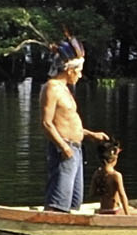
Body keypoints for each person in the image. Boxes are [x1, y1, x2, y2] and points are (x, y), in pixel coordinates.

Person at [38, 37, 109, 212]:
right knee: (59, 202)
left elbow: (67, 122)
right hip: (64, 150)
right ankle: (52, 226)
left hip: (75, 149)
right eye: (79, 71)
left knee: (74, 203)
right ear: (70, 70)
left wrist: (91, 135)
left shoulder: (65, 89)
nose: (80, 75)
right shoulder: (51, 88)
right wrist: (64, 148)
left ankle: (70, 229)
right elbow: (46, 123)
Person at [86, 137, 137, 215]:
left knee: (132, 208)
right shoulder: (116, 175)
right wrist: (128, 215)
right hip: (114, 211)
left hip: (102, 210)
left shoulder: (97, 173)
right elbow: (122, 195)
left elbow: (91, 194)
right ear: (114, 158)